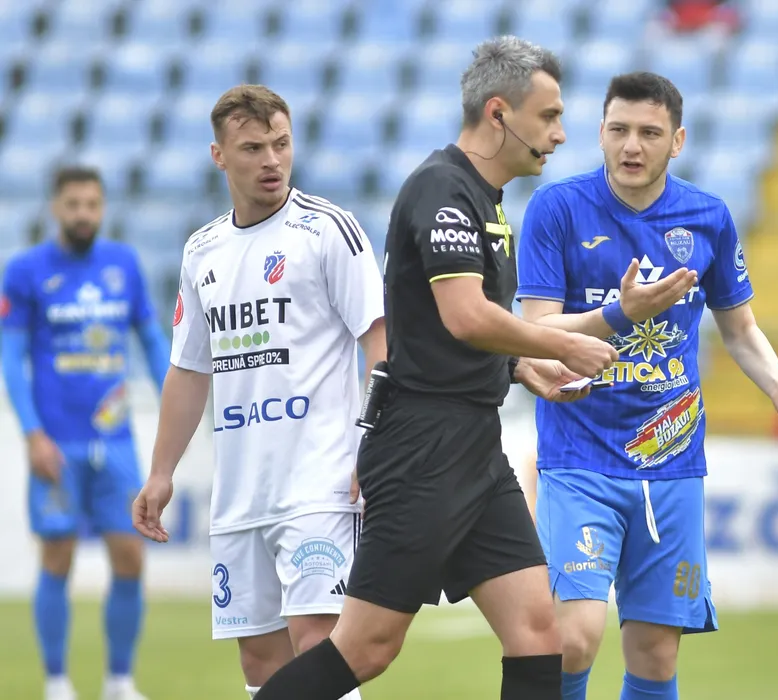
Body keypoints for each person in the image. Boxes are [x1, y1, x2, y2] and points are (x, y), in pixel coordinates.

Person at [251, 36, 619, 700]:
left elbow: (443, 328)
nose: (561, 134)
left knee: (540, 634)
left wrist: (515, 366)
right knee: (367, 647)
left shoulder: (486, 199)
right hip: (421, 446)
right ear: (499, 113)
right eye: (549, 116)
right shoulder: (441, 189)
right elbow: (464, 316)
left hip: (474, 441)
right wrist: (557, 347)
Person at [515, 72, 778, 700]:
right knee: (573, 637)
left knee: (656, 655)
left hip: (671, 459)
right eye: (619, 130)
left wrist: (776, 383)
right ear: (600, 133)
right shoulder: (557, 208)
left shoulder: (708, 217)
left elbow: (739, 328)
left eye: (649, 133)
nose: (632, 145)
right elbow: (536, 329)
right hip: (578, 456)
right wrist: (619, 313)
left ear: (677, 140)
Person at [131, 85, 385, 700]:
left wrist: (373, 442)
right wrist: (161, 471)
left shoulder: (326, 230)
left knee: (319, 647)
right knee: (260, 664)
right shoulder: (202, 251)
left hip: (320, 482)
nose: (272, 160)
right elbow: (189, 369)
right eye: (252, 148)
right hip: (241, 492)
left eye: (281, 144)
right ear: (219, 155)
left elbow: (381, 341)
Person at [1, 166, 170, 700]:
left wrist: (175, 408)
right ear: (56, 208)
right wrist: (32, 434)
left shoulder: (124, 265)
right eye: (73, 204)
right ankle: (57, 682)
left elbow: (152, 341)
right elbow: (11, 356)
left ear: (102, 208)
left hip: (116, 442)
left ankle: (119, 681)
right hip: (57, 443)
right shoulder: (25, 271)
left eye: (92, 205)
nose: (83, 214)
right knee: (58, 557)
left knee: (130, 557)